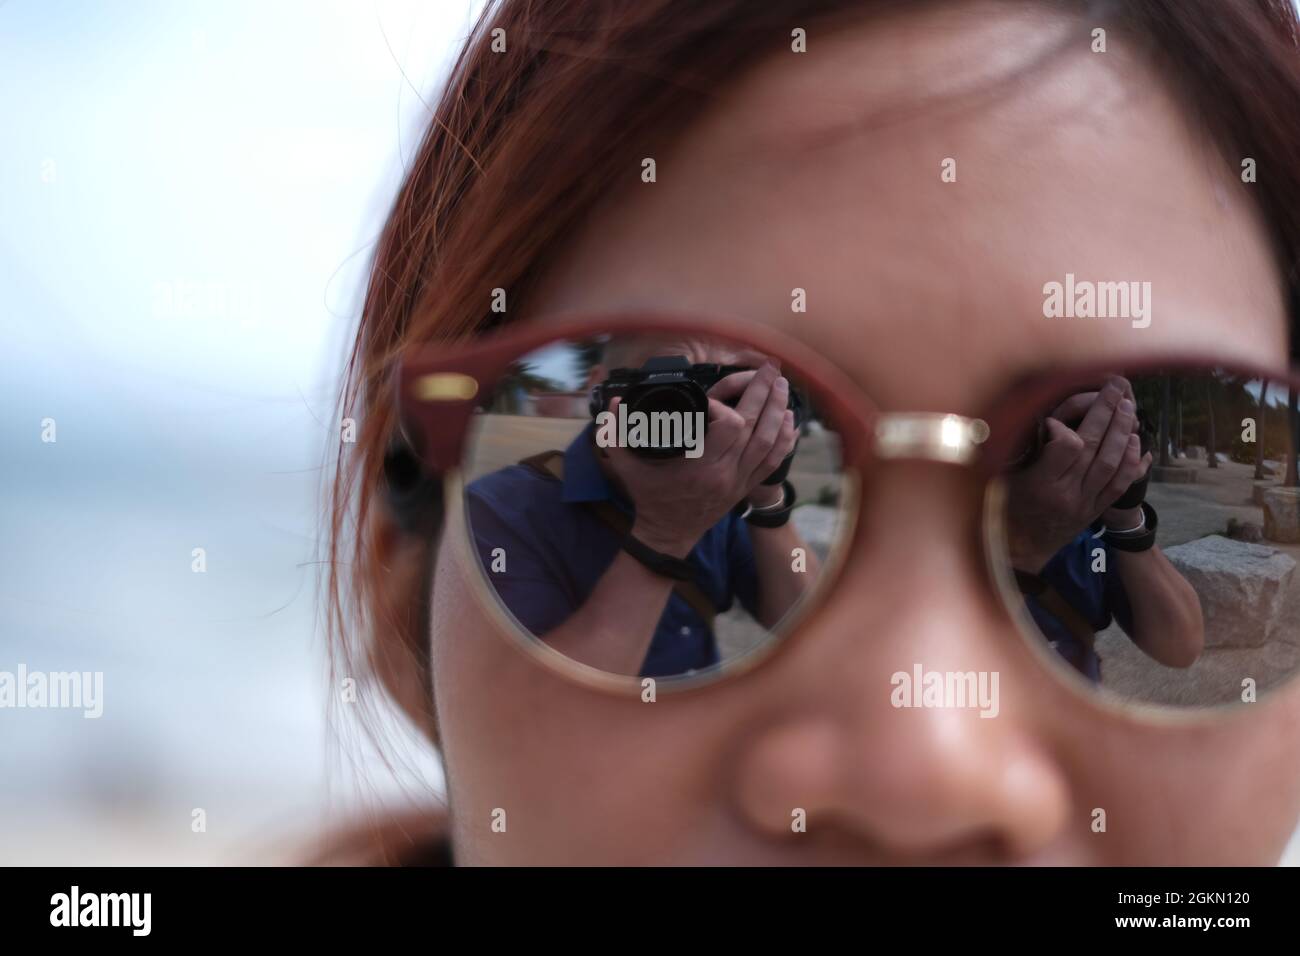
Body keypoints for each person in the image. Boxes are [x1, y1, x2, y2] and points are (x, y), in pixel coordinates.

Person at [326, 0, 1300, 865]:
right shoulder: (519, 506)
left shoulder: (1064, 502)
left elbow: (1171, 644)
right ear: (395, 588)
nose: (925, 769)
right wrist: (662, 533)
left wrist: (762, 500)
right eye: (650, 377)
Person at [465, 336, 818, 677]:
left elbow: (803, 621)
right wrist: (663, 534)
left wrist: (766, 496)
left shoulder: (723, 493)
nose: (707, 414)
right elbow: (538, 703)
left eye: (737, 392)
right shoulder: (498, 510)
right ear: (598, 390)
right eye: (670, 384)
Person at [1004, 377, 1204, 680]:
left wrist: (1125, 517)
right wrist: (1022, 547)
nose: (1082, 440)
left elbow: (1181, 647)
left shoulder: (1085, 526)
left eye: (1115, 421)